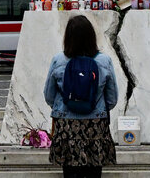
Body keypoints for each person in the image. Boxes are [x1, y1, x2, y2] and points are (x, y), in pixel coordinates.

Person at [43, 14, 118, 178]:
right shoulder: (104, 61)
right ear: (91, 36)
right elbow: (112, 98)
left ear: (68, 37)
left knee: (69, 170)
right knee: (94, 169)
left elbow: (48, 95)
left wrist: (62, 107)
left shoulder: (58, 60)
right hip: (96, 123)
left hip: (66, 123)